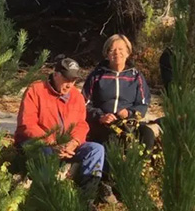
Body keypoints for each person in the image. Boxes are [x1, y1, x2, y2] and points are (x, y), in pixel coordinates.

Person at [15, 58, 112, 201]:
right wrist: (52, 142)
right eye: (67, 79)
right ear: (55, 74)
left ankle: (86, 200)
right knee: (46, 153)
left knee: (97, 149)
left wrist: (74, 142)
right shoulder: (35, 91)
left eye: (73, 80)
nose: (70, 84)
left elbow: (81, 124)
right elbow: (27, 125)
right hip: (39, 144)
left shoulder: (77, 96)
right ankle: (46, 199)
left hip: (67, 146)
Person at [83, 34, 155, 152]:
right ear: (107, 54)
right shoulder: (97, 76)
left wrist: (129, 113)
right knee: (112, 138)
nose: (117, 53)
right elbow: (85, 103)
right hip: (103, 124)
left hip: (129, 123)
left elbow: (143, 103)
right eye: (112, 50)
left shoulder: (136, 76)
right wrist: (101, 116)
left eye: (121, 49)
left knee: (147, 134)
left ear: (128, 52)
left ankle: (139, 167)